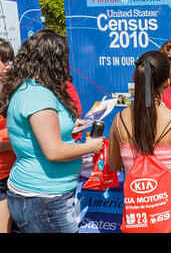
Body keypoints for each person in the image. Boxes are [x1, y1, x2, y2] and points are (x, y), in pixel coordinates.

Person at [0, 30, 103, 233]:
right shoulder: (38, 95)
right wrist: (89, 146)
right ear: (52, 60)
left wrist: (70, 126)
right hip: (44, 198)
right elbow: (54, 151)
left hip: (41, 196)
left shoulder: (31, 89)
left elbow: (39, 130)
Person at [109, 50, 171, 233]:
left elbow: (114, 165)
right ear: (167, 82)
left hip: (138, 212)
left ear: (136, 79)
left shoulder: (119, 120)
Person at [0, 39, 14, 233]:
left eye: (9, 60)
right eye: (3, 60)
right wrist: (14, 142)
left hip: (12, 173)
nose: (8, 66)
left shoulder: (6, 89)